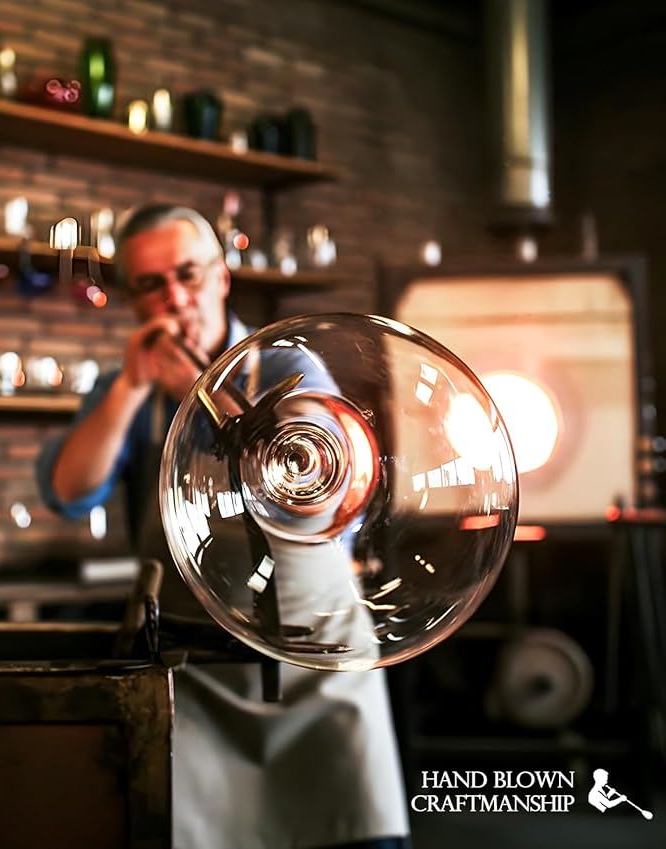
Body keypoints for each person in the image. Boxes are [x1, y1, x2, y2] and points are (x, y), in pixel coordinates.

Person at [37, 205, 411, 849]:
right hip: (196, 672)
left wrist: (209, 395)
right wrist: (131, 384)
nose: (174, 297)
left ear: (221, 277)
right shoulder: (121, 388)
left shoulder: (293, 368)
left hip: (314, 661)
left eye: (187, 274)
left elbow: (314, 492)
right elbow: (69, 492)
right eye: (151, 284)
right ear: (130, 298)